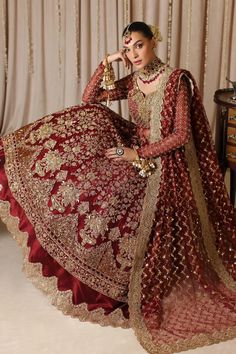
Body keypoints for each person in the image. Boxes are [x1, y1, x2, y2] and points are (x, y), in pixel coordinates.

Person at [0, 21, 235, 354]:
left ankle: (124, 279)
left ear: (154, 42)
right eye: (127, 48)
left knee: (118, 189)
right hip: (133, 148)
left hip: (165, 161)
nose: (133, 53)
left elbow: (180, 137)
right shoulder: (134, 80)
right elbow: (90, 98)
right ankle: (84, 266)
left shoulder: (175, 81)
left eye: (138, 45)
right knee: (85, 143)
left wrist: (136, 154)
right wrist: (108, 62)